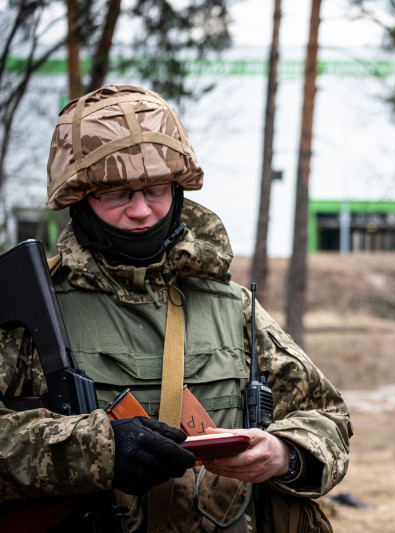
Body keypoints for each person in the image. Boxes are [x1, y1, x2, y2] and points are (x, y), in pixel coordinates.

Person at [0, 85, 352, 532]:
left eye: (156, 189)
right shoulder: (27, 312)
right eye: (117, 194)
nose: (142, 211)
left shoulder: (233, 308)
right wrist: (93, 451)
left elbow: (329, 419)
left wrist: (285, 454)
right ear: (80, 199)